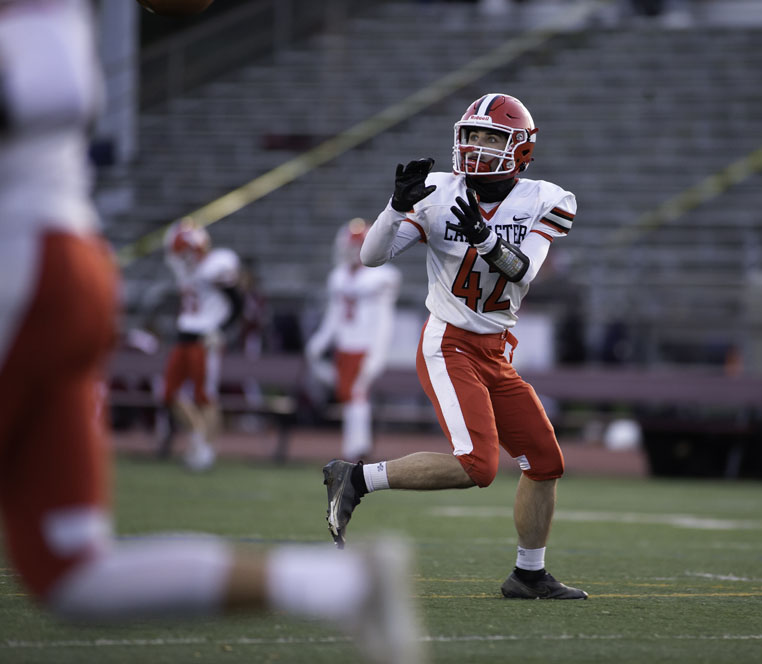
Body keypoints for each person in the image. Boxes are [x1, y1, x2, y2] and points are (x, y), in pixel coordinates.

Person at [0, 3, 421, 662]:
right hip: (56, 267)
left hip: (27, 266)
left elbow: (51, 82)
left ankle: (219, 452)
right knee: (71, 574)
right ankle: (339, 586)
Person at [322, 92, 588, 600]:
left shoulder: (547, 198)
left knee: (545, 460)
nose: (478, 145)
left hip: (495, 348)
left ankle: (528, 574)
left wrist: (486, 240)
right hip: (449, 342)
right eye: (472, 135)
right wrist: (395, 205)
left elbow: (524, 271)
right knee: (478, 466)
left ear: (521, 149)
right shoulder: (438, 193)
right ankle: (355, 478)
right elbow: (371, 257)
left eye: (492, 137)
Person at [306, 218, 401, 462]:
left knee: (356, 394)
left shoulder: (381, 277)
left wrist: (377, 354)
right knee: (348, 396)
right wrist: (321, 339)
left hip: (366, 345)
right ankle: (355, 447)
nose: (351, 253)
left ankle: (357, 450)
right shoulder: (339, 277)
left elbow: (384, 320)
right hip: (345, 345)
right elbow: (335, 315)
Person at [161, 218, 242, 470]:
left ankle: (206, 451)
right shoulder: (183, 267)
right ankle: (198, 435)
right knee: (168, 393)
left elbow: (238, 303)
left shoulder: (216, 265)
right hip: (184, 334)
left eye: (187, 252)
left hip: (205, 337)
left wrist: (221, 331)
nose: (183, 258)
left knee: (205, 396)